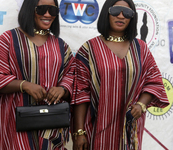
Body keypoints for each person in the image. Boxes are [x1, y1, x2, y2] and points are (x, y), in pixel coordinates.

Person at [71, 0, 169, 150]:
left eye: (127, 13)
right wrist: (79, 132)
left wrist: (141, 104)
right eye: (116, 11)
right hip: (97, 129)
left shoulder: (141, 48)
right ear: (107, 13)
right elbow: (80, 93)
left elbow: (154, 81)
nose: (121, 16)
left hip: (130, 132)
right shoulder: (89, 49)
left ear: (132, 18)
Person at [0, 0, 75, 149]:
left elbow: (73, 75)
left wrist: (63, 89)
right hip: (15, 123)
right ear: (30, 9)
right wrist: (24, 85)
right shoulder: (9, 39)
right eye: (41, 9)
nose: (47, 14)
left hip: (50, 124)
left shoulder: (61, 45)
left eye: (53, 10)